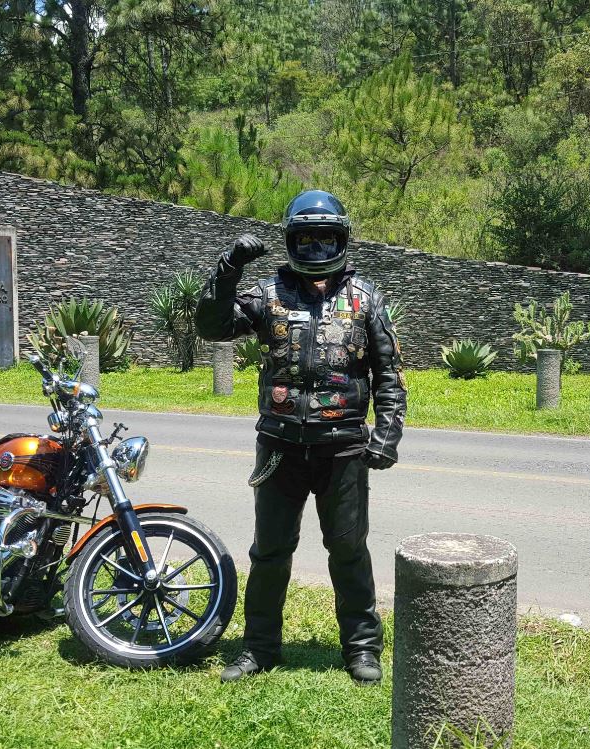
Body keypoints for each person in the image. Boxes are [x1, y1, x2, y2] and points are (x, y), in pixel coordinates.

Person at [195, 189, 407, 686]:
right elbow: (211, 325)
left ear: (342, 239)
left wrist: (387, 435)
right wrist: (229, 267)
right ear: (291, 239)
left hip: (344, 446)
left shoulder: (365, 299)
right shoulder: (268, 294)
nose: (315, 248)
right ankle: (259, 649)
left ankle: (362, 648)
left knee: (349, 549)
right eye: (306, 238)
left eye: (324, 238)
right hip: (279, 446)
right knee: (269, 551)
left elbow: (390, 375)